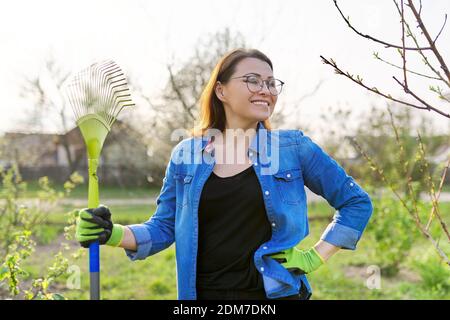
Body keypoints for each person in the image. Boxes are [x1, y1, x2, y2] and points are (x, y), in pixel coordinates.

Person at [75, 48, 373, 300]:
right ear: (221, 90)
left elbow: (356, 202)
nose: (265, 90)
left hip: (274, 295)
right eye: (252, 80)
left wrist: (316, 256)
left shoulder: (293, 148)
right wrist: (110, 234)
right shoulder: (186, 155)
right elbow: (164, 228)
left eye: (271, 83)